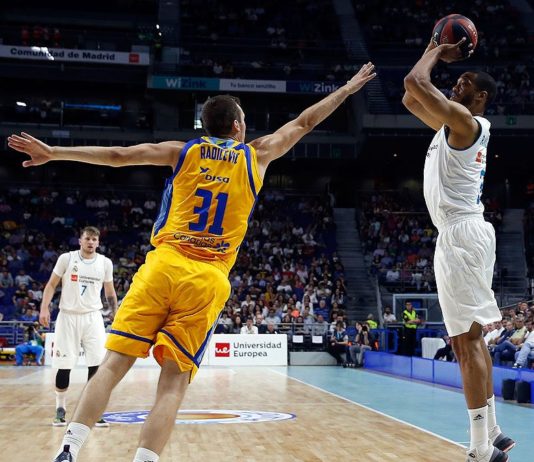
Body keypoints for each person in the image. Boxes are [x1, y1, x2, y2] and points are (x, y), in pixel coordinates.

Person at [8, 63, 376, 462]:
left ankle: (68, 449)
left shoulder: (182, 151)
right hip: (207, 279)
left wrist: (54, 152)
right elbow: (304, 122)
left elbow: (117, 156)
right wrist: (346, 89)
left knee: (113, 366)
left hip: (163, 266)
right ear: (237, 126)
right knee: (172, 384)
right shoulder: (256, 155)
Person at [403, 37, 512, 462]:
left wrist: (435, 47)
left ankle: (480, 448)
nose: (456, 85)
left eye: (464, 82)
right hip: (464, 233)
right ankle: (493, 431)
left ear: (479, 96)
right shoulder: (452, 127)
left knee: (466, 344)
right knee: (473, 340)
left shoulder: (466, 122)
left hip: (461, 235)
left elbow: (416, 80)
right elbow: (411, 96)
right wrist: (434, 56)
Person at [39, 226, 118, 428]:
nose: (91, 242)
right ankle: (60, 408)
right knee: (64, 366)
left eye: (94, 239)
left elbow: (109, 292)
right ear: (80, 241)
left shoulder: (105, 263)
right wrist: (44, 308)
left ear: (98, 243)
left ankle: (92, 411)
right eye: (87, 238)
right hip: (68, 316)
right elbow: (51, 284)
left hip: (93, 317)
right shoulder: (66, 259)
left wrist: (115, 313)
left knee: (96, 366)